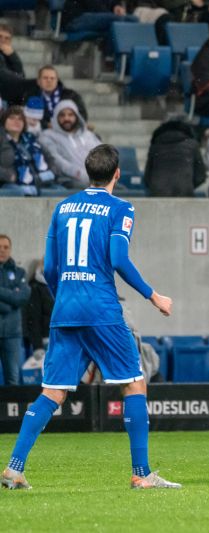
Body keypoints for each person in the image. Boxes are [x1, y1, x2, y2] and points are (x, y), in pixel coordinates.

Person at [1, 144, 180, 490]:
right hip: (100, 308)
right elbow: (118, 258)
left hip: (65, 308)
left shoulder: (63, 207)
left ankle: (15, 466)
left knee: (53, 391)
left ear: (87, 172)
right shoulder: (121, 208)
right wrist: (153, 295)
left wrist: (65, 295)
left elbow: (50, 267)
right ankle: (141, 474)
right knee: (134, 383)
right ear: (117, 174)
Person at [39, 100, 101, 189]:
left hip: (97, 180)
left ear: (77, 116)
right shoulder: (48, 136)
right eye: (62, 115)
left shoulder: (88, 135)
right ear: (56, 117)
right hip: (68, 180)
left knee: (121, 191)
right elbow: (57, 161)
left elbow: (105, 156)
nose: (66, 118)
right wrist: (82, 175)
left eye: (70, 115)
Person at [1, 106, 58, 196]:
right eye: (12, 118)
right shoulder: (1, 140)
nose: (16, 121)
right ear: (4, 122)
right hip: (8, 184)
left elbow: (50, 159)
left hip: (40, 182)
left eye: (20, 119)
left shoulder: (31, 139)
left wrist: (51, 172)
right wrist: (10, 176)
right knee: (18, 192)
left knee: (62, 192)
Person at [143, 117, 206, 197]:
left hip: (158, 193)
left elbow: (147, 177)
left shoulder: (156, 146)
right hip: (184, 192)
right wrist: (187, 184)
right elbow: (200, 176)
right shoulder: (192, 145)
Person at [0, 234, 30, 387]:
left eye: (6, 247)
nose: (2, 250)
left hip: (12, 334)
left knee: (13, 378)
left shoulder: (20, 272)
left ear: (10, 249)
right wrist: (10, 298)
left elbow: (22, 298)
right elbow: (15, 299)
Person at [22, 66, 88, 130]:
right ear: (38, 81)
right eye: (45, 78)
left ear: (57, 80)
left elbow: (82, 115)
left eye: (52, 78)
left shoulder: (71, 95)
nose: (49, 81)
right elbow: (27, 116)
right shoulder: (31, 96)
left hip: (67, 131)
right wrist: (46, 125)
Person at [22, 259, 53, 361]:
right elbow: (33, 317)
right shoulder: (35, 287)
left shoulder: (55, 285)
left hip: (59, 338)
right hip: (45, 340)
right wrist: (37, 346)